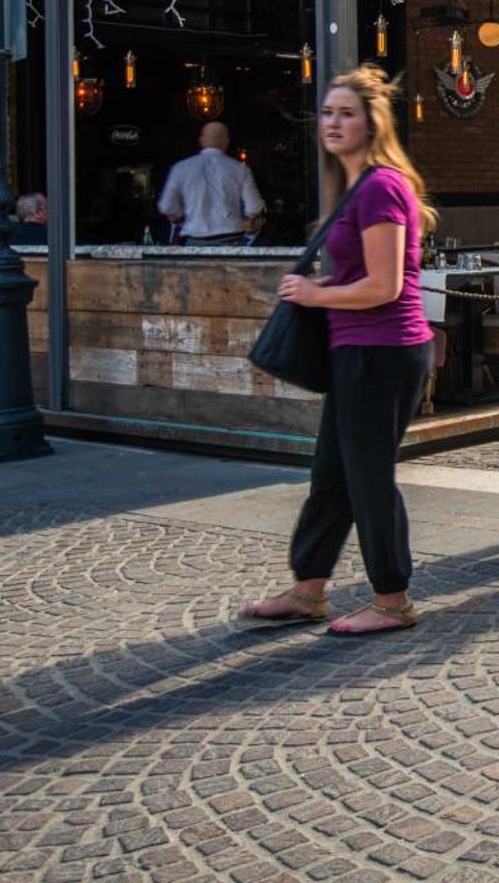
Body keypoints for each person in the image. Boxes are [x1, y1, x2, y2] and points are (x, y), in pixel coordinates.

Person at [241, 66, 436, 636]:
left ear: (372, 122)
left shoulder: (380, 186)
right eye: (327, 112)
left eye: (346, 112)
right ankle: (308, 589)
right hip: (359, 350)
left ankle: (393, 599)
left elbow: (386, 286)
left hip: (384, 350)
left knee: (368, 476)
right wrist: (322, 292)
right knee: (331, 472)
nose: (332, 121)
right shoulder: (352, 187)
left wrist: (313, 293)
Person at [159, 121, 266, 246]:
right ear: (226, 141)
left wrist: (183, 217)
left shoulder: (181, 168)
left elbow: (167, 206)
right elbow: (254, 207)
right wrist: (246, 218)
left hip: (194, 242)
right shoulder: (240, 169)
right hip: (231, 241)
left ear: (202, 140)